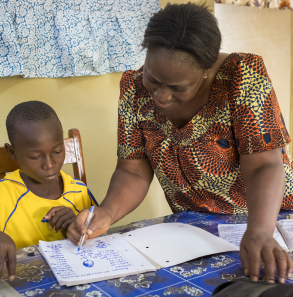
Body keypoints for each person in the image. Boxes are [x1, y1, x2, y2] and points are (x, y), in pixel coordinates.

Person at [67, 2, 293, 284]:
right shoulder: (134, 88)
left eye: (177, 87)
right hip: (195, 230)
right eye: (154, 79)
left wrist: (260, 229)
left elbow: (263, 165)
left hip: (270, 221)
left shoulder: (242, 75)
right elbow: (132, 170)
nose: (161, 96)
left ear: (206, 69)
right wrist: (107, 212)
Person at [0, 101, 97, 281]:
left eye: (57, 151)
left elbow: (101, 243)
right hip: (22, 283)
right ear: (12, 153)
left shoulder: (79, 192)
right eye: (35, 156)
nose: (49, 164)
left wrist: (78, 227)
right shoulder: (0, 195)